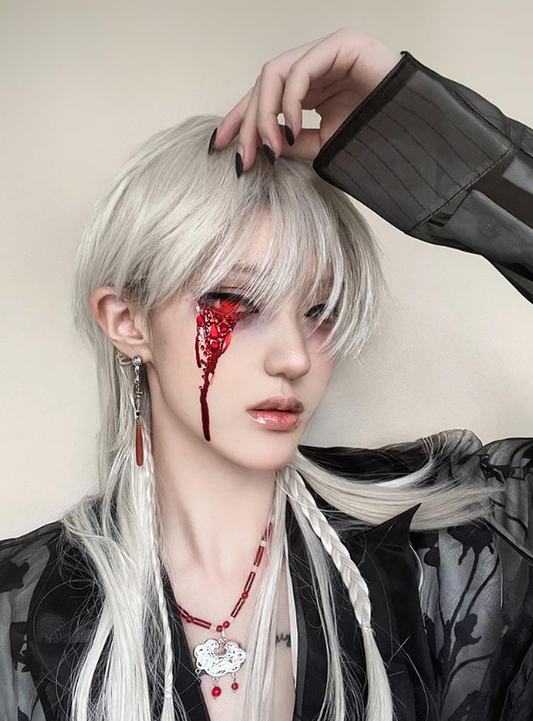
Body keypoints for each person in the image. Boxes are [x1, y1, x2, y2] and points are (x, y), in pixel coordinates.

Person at [1, 26, 532, 721]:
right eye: (236, 304)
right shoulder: (17, 613)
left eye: (320, 311)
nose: (294, 357)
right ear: (128, 322)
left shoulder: (453, 545)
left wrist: (428, 140)